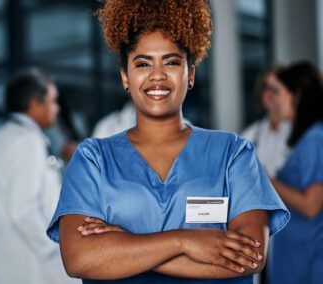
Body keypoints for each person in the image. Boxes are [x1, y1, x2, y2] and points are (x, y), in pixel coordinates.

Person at [47, 1, 290, 283]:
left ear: (191, 75)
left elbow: (250, 256)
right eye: (143, 63)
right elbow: (79, 258)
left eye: (172, 62)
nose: (158, 75)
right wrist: (183, 241)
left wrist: (126, 245)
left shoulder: (233, 154)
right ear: (126, 76)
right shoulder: (92, 159)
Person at [0, 68, 79, 284]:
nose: (56, 108)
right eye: (52, 101)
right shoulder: (27, 142)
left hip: (4, 265)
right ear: (35, 103)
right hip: (27, 268)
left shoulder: (2, 138)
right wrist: (58, 250)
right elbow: (24, 212)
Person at [268, 62, 323, 284]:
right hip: (296, 263)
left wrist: (267, 180)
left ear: (297, 95)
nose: (273, 101)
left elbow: (311, 205)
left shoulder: (315, 139)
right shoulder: (307, 140)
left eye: (278, 93)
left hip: (307, 265)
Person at [241, 66, 292, 177]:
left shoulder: (303, 133)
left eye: (276, 88)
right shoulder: (250, 135)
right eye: (266, 88)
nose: (271, 94)